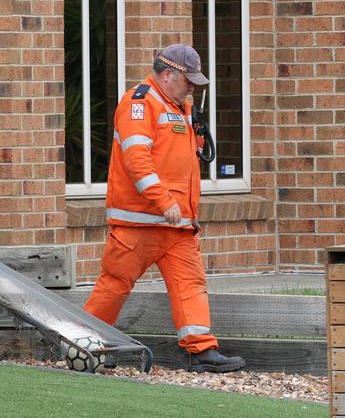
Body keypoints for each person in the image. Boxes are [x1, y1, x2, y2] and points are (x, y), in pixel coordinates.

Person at [84, 43, 246, 372]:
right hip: (140, 222)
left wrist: (197, 139)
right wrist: (164, 200)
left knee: (191, 284)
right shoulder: (139, 103)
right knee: (114, 285)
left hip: (177, 224)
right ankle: (83, 343)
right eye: (189, 82)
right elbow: (136, 159)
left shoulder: (178, 106)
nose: (192, 89)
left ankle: (201, 351)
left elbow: (174, 158)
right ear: (168, 74)